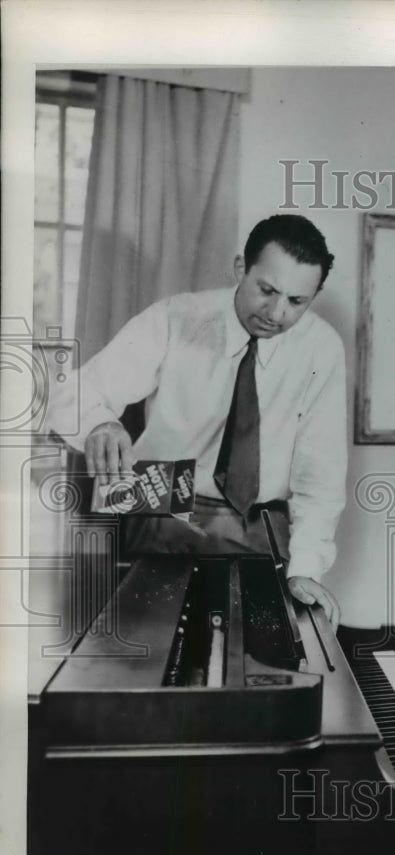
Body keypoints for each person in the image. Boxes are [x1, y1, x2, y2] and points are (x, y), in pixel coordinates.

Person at [49, 215, 346, 627]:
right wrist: (100, 423)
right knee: (148, 659)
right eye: (267, 290)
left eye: (297, 301)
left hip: (257, 524)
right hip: (162, 509)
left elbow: (321, 478)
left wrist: (306, 569)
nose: (277, 313)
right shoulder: (177, 317)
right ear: (240, 268)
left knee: (251, 672)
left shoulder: (321, 349)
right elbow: (71, 395)